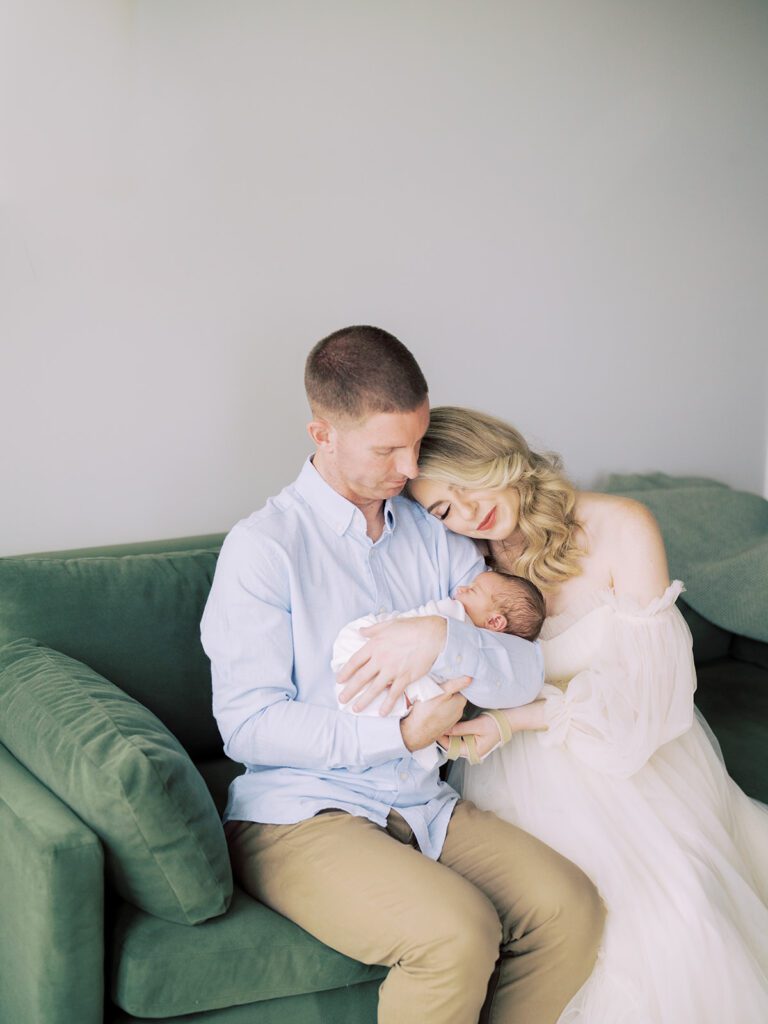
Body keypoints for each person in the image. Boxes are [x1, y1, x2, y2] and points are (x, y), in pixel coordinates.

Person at [201, 328, 604, 1024]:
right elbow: (248, 724)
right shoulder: (264, 549)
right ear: (322, 433)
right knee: (457, 933)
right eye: (387, 449)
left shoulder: (433, 533)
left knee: (572, 908)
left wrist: (443, 636)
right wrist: (403, 730)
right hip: (300, 812)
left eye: (416, 443)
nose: (409, 466)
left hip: (423, 803)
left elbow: (521, 671)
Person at [408, 405, 768, 1024]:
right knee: (565, 927)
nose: (468, 514)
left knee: (676, 921)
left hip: (634, 749)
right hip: (516, 771)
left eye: (467, 483)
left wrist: (515, 720)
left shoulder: (622, 525)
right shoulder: (468, 566)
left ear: (496, 452)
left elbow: (654, 698)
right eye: (444, 509)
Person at [332, 568, 545, 769]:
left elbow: (525, 671)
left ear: (495, 621)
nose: (460, 589)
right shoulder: (452, 614)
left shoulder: (461, 618)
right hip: (373, 657)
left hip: (403, 706)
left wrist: (441, 635)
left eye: (472, 590)